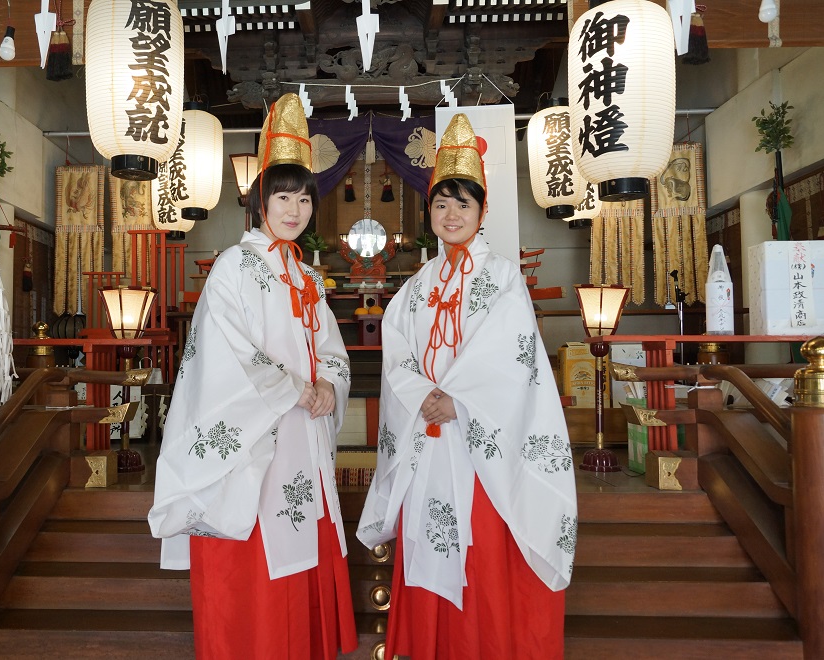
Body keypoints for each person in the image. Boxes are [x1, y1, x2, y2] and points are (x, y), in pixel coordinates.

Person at [358, 113, 578, 659]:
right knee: (432, 550)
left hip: (483, 449)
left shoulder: (503, 278)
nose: (451, 214)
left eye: (463, 203)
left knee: (482, 559)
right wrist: (422, 397)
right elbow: (399, 355)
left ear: (483, 211)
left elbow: (513, 356)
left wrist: (460, 401)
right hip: (429, 441)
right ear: (429, 210)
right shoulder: (414, 288)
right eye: (441, 203)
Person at [147, 93, 357, 659]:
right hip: (251, 447)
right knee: (255, 574)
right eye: (282, 195)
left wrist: (330, 386)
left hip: (301, 439)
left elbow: (332, 351)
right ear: (260, 201)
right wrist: (297, 389)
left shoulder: (308, 278)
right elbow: (226, 353)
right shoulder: (236, 268)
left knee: (299, 556)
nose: (293, 209)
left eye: (303, 197)